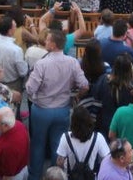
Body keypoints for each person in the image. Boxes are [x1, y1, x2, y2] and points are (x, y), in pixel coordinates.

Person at [26, 29, 89, 180]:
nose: (45, 42)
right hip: (62, 109)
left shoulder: (41, 64)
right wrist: (77, 96)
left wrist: (35, 95)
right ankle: (56, 176)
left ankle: (34, 176)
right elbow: (85, 85)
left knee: (38, 144)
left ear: (53, 45)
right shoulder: (72, 62)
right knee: (57, 145)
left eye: (47, 40)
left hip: (41, 109)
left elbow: (29, 88)